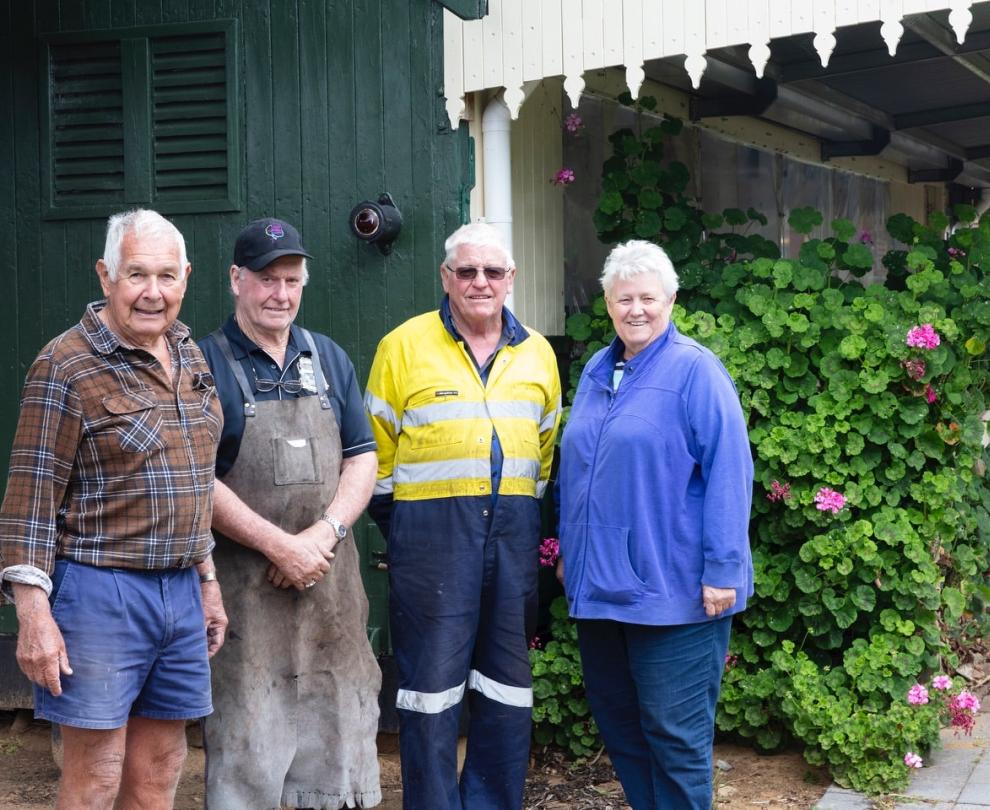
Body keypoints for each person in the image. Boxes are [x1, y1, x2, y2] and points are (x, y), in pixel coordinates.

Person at [0, 209, 227, 808]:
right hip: (100, 592)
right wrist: (33, 616)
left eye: (167, 276)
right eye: (136, 275)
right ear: (106, 276)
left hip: (179, 590)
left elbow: (193, 479)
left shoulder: (190, 354)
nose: (153, 292)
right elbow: (28, 500)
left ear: (186, 278)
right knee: (97, 773)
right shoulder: (65, 365)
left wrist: (206, 580)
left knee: (161, 768)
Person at [365, 222, 562, 810]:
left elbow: (543, 454)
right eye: (467, 271)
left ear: (511, 280)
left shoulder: (539, 354)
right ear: (446, 277)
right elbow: (376, 455)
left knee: (507, 688)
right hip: (429, 544)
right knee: (429, 693)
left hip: (512, 541)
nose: (480, 282)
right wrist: (405, 532)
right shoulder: (402, 345)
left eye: (493, 271)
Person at [556, 240, 754, 810]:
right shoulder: (597, 369)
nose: (635, 309)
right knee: (623, 735)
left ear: (670, 298)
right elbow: (580, 469)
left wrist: (723, 569)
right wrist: (574, 553)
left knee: (676, 741)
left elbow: (729, 473)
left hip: (678, 596)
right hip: (601, 594)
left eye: (647, 297)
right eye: (624, 298)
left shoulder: (696, 371)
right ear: (608, 303)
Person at [197, 218, 381, 810]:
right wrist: (281, 546)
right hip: (248, 595)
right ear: (236, 280)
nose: (281, 294)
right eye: (267, 280)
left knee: (338, 737)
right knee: (249, 739)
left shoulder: (326, 356)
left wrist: (322, 538)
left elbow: (363, 458)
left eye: (292, 280)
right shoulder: (204, 364)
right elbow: (197, 480)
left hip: (330, 588)